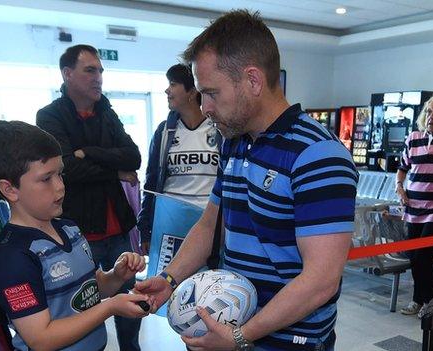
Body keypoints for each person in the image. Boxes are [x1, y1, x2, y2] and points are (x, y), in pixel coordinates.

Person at [135, 10, 357, 351]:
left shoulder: (318, 154)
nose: (204, 107)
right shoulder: (235, 142)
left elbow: (321, 281)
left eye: (211, 93)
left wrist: (241, 336)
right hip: (234, 330)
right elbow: (209, 226)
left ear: (252, 80)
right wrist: (169, 278)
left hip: (287, 341)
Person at [0, 120, 149, 350]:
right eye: (46, 178)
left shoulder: (70, 229)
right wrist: (110, 307)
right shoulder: (13, 258)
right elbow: (41, 339)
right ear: (10, 189)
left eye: (60, 174)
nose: (60, 186)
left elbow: (91, 288)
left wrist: (116, 276)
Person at [36, 44, 143, 350]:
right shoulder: (50, 116)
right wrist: (114, 170)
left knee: (129, 302)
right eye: (90, 70)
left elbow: (133, 157)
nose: (98, 78)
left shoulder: (107, 112)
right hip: (81, 232)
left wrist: (90, 153)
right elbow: (67, 167)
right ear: (67, 74)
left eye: (100, 71)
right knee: (82, 305)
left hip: (119, 229)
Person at [137, 63, 220, 254]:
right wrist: (145, 228)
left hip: (209, 223)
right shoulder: (164, 131)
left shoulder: (218, 130)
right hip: (169, 223)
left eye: (173, 84)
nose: (167, 90)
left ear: (191, 92)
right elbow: (151, 182)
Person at [396, 94, 433, 317]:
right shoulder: (414, 138)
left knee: (423, 253)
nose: (431, 116)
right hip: (414, 206)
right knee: (414, 255)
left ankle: (431, 301)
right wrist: (400, 188)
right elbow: (402, 168)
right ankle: (417, 299)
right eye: (428, 111)